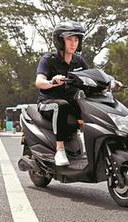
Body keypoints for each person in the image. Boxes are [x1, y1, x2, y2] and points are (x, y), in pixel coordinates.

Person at [34, 21, 89, 166]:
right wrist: (52, 82)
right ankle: (60, 150)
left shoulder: (79, 61)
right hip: (48, 102)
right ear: (60, 40)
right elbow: (39, 82)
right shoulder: (49, 59)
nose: (73, 43)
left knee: (87, 105)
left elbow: (91, 77)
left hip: (71, 102)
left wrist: (111, 83)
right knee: (62, 105)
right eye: (69, 39)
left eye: (76, 39)